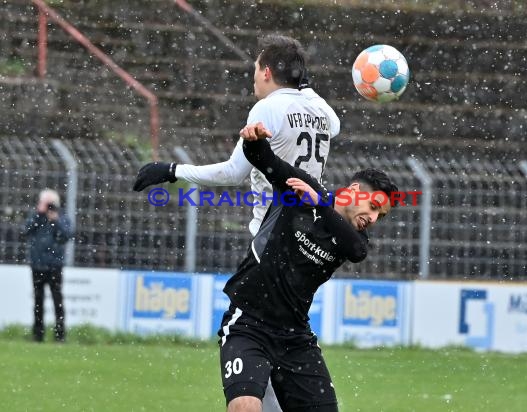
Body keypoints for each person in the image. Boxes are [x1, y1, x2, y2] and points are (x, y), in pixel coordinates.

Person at [133, 34, 339, 411]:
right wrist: (305, 90)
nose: (253, 77)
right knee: (287, 329)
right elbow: (335, 124)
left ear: (266, 71)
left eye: (256, 68)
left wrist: (172, 169)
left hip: (271, 240)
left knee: (251, 322)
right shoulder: (321, 111)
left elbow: (233, 172)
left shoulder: (267, 109)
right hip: (308, 239)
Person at [218, 125, 398, 412]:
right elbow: (267, 161)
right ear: (353, 191)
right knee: (245, 406)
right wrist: (253, 140)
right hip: (248, 325)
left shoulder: (350, 236)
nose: (374, 218)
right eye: (374, 206)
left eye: (381, 215)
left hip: (294, 337)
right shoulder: (303, 188)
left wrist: (322, 206)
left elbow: (357, 251)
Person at [23, 189, 73, 343]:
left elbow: (67, 235)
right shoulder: (37, 217)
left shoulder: (62, 217)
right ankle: (38, 335)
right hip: (37, 265)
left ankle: (60, 335)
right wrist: (39, 213)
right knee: (38, 301)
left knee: (57, 300)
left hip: (54, 266)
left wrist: (56, 220)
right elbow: (26, 230)